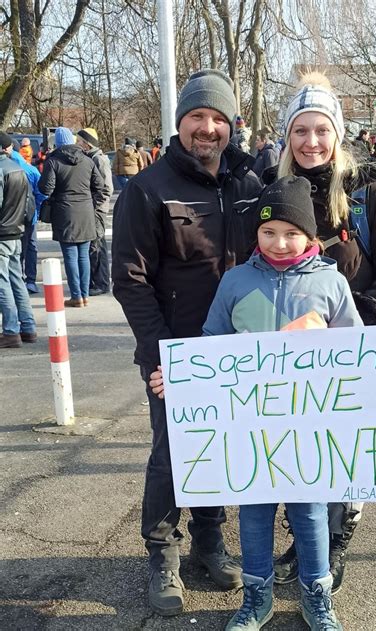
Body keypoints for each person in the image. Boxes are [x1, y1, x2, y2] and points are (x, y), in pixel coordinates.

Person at [149, 178, 376, 631]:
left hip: (310, 430)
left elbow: (361, 353)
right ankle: (256, 597)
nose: (280, 243)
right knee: (255, 512)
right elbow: (210, 346)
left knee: (310, 510)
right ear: (255, 235)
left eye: (292, 232)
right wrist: (180, 378)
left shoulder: (332, 283)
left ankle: (316, 597)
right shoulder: (235, 282)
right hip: (253, 427)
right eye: (268, 232)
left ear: (311, 236)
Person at [111, 68, 262, 616]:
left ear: (230, 125)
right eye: (197, 116)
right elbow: (128, 279)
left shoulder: (248, 185)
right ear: (180, 123)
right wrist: (160, 358)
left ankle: (208, 541)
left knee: (220, 450)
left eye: (218, 118)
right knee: (173, 455)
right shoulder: (147, 188)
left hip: (238, 352)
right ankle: (162, 555)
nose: (207, 127)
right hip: (175, 355)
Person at [261, 71, 376, 595]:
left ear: (337, 133)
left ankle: (336, 538)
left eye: (321, 130)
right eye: (300, 131)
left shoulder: (368, 192)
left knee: (347, 456)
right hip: (292, 352)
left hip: (357, 348)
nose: (311, 142)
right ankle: (304, 538)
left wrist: (356, 325)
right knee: (302, 450)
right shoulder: (273, 190)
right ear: (287, 136)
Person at [39, 127, 106, 307]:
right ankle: (84, 295)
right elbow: (100, 185)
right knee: (83, 255)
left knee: (70, 256)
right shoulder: (87, 160)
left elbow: (46, 189)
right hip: (86, 211)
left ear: (57, 143)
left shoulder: (53, 161)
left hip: (64, 212)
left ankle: (76, 295)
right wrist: (88, 198)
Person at [0, 131, 37, 348]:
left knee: (3, 282)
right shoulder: (18, 168)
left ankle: (11, 330)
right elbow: (28, 202)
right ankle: (28, 327)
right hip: (16, 230)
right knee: (16, 280)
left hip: (3, 232)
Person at [76, 127, 114, 296]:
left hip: (97, 210)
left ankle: (102, 283)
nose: (77, 144)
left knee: (97, 246)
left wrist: (94, 206)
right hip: (91, 208)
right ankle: (95, 280)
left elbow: (107, 188)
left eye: (79, 142)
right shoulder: (89, 158)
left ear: (87, 144)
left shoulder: (99, 160)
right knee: (93, 245)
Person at [9, 141, 47, 294]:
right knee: (31, 246)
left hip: (9, 218)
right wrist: (35, 209)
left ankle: (15, 280)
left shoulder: (4, 168)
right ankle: (30, 280)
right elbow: (42, 192)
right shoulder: (31, 170)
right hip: (29, 215)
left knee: (13, 249)